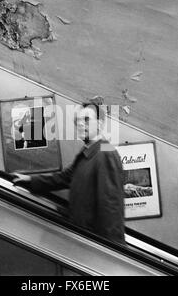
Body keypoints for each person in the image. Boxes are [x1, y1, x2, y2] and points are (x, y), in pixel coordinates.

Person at [12, 101, 126, 244]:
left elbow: (112, 208)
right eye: (77, 121)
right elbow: (63, 178)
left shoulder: (107, 152)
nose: (80, 124)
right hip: (83, 240)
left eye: (86, 120)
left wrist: (113, 252)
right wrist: (30, 180)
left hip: (96, 246)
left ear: (100, 124)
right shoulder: (88, 152)